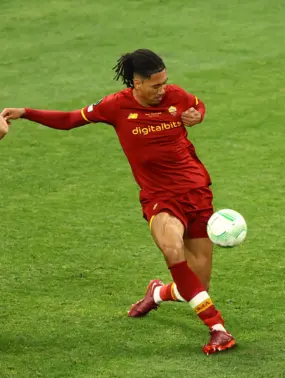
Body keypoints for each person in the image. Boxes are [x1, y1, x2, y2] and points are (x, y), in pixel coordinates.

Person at [1, 49, 235, 354]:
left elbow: (196, 106)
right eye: (155, 86)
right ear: (136, 83)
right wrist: (26, 112)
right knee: (171, 248)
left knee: (198, 288)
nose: (163, 90)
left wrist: (197, 115)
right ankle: (218, 329)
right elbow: (71, 119)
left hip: (197, 192)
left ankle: (158, 293)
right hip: (159, 197)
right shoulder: (115, 106)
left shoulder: (175, 95)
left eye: (165, 83)